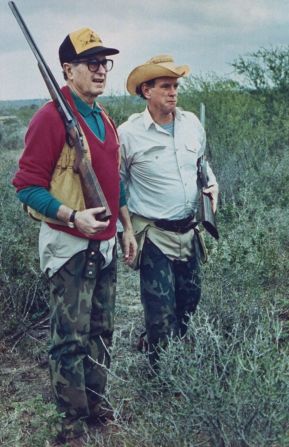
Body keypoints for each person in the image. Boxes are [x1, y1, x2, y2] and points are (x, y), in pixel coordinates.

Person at [12, 27, 136, 446]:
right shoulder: (50, 117)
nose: (101, 71)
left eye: (105, 63)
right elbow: (26, 187)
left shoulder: (104, 118)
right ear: (68, 70)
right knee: (69, 338)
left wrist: (125, 227)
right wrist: (71, 216)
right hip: (69, 246)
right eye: (92, 63)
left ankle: (97, 407)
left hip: (105, 244)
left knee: (102, 330)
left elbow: (112, 181)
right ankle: (70, 426)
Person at [118, 54, 218, 369]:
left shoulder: (192, 124)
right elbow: (116, 183)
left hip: (189, 231)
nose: (173, 92)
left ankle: (164, 346)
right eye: (165, 86)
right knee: (160, 309)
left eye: (175, 85)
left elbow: (202, 166)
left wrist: (212, 189)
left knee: (189, 301)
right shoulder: (129, 133)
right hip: (153, 235)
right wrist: (125, 231)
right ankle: (162, 378)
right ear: (146, 91)